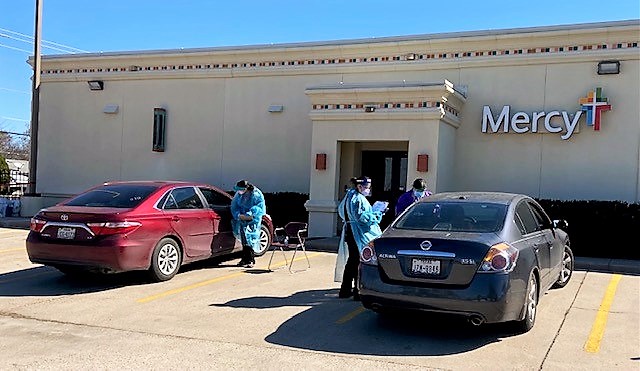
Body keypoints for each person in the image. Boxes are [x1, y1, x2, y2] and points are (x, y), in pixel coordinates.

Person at [337, 176, 383, 300]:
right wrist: (377, 215)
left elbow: (342, 212)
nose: (368, 190)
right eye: (367, 187)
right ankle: (357, 292)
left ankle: (345, 290)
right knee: (359, 262)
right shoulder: (358, 199)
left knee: (352, 261)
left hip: (350, 232)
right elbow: (362, 218)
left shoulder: (349, 196)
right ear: (359, 186)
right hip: (357, 234)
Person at [231, 179, 266, 268]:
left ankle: (251, 260)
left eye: (241, 189)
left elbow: (259, 207)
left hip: (252, 221)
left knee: (250, 240)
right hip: (242, 220)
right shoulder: (239, 195)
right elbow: (234, 206)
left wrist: (250, 214)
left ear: (246, 188)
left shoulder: (256, 194)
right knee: (244, 241)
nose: (239, 191)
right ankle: (245, 259)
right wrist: (238, 215)